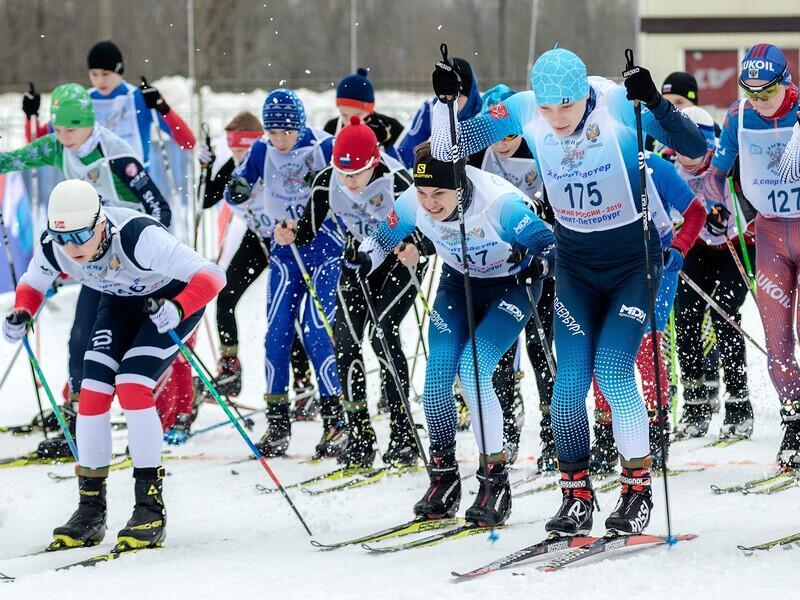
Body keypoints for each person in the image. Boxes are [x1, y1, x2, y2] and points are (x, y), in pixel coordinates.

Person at [429, 47, 705, 535]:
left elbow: (693, 147)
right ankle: (576, 494)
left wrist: (657, 105)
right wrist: (446, 103)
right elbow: (448, 151)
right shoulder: (522, 108)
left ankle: (636, 489)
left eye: (566, 107)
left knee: (613, 372)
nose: (555, 119)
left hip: (630, 264)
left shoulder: (616, 103)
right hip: (575, 265)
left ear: (583, 94)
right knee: (569, 386)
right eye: (547, 108)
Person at [2, 179, 225, 550]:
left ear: (101, 223)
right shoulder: (56, 246)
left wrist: (178, 307)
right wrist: (22, 313)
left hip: (167, 304)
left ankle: (149, 507)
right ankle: (90, 510)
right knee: (90, 393)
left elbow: (214, 275)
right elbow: (33, 283)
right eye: (62, 238)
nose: (71, 248)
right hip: (119, 303)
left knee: (132, 384)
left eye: (80, 235)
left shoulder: (139, 237)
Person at [351, 142, 555, 526]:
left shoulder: (499, 204)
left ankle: (495, 483)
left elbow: (550, 244)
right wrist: (362, 257)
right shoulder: (414, 201)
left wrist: (541, 263)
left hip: (510, 287)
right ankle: (443, 480)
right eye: (423, 193)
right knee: (436, 380)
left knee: (475, 372)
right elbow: (380, 240)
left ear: (460, 186)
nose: (429, 203)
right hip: (458, 286)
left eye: (439, 194)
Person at [0, 83, 172, 457]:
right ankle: (80, 418)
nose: (64, 138)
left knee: (144, 343)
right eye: (59, 129)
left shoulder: (116, 153)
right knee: (81, 337)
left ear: (89, 124)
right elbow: (11, 160)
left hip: (130, 259)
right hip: (92, 258)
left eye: (71, 130)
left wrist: (149, 251)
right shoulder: (56, 146)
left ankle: (163, 412)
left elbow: (161, 208)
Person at [282, 115, 429, 467]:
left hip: (398, 262)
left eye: (356, 174)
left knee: (382, 334)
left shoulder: (397, 182)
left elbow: (430, 225)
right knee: (346, 344)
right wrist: (290, 231)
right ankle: (360, 435)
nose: (348, 182)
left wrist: (417, 247)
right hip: (358, 262)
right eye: (342, 173)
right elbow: (307, 230)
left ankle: (403, 433)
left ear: (374, 163)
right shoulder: (326, 182)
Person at [226, 89, 345, 458]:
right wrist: (238, 188)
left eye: (287, 132)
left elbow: (346, 190)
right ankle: (278, 423)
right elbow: (235, 188)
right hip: (284, 251)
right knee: (276, 334)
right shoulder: (261, 149)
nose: (279, 140)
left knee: (317, 331)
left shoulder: (322, 146)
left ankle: (335, 420)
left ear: (300, 125)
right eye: (273, 132)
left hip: (325, 250)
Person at [703, 43, 800, 469]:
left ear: (786, 82)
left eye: (767, 92)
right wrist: (715, 205)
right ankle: (793, 420)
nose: (759, 101)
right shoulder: (738, 116)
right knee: (777, 342)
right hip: (770, 236)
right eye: (750, 92)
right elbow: (716, 175)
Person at [590, 148, 706, 471]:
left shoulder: (654, 167)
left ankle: (656, 434)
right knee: (603, 350)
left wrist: (680, 249)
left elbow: (696, 213)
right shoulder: (590, 163)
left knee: (644, 347)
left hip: (657, 264)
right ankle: (606, 435)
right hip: (612, 267)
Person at [195, 112, 316, 419]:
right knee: (225, 297)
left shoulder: (271, 160)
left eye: (243, 151)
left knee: (285, 315)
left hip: (285, 239)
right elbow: (206, 200)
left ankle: (303, 384)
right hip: (256, 239)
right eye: (234, 151)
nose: (239, 158)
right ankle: (230, 369)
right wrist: (206, 168)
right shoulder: (235, 166)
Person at [468, 83, 556, 468]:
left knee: (540, 346)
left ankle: (554, 432)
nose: (501, 144)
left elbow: (557, 203)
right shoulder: (477, 156)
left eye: (508, 135)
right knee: (501, 352)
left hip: (540, 261)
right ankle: (506, 429)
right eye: (494, 134)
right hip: (497, 265)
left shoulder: (540, 148)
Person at [670, 106, 756, 440]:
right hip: (701, 244)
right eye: (680, 150)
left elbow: (756, 197)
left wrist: (733, 213)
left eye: (693, 151)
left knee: (724, 313)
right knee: (686, 315)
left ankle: (738, 403)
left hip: (739, 241)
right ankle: (696, 404)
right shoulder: (671, 165)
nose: (686, 159)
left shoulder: (729, 161)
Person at [396, 56, 481, 169]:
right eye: (447, 95)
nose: (452, 102)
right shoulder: (430, 110)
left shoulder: (484, 112)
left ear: (470, 96)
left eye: (458, 96)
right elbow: (406, 155)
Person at [323, 68, 405, 160]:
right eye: (344, 115)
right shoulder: (331, 128)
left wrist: (387, 144)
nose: (350, 122)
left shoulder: (391, 128)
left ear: (370, 110)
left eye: (357, 115)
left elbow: (406, 164)